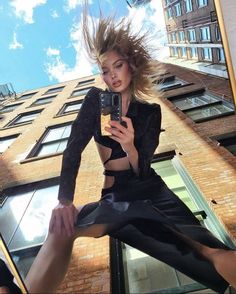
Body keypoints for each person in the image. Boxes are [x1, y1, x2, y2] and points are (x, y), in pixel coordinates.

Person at [25, 10, 236, 294]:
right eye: (105, 70)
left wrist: (130, 146)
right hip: (114, 195)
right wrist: (64, 199)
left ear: (131, 66)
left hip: (150, 191)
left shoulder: (151, 113)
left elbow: (144, 168)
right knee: (62, 227)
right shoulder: (94, 101)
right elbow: (73, 149)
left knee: (207, 250)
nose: (112, 76)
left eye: (118, 65)